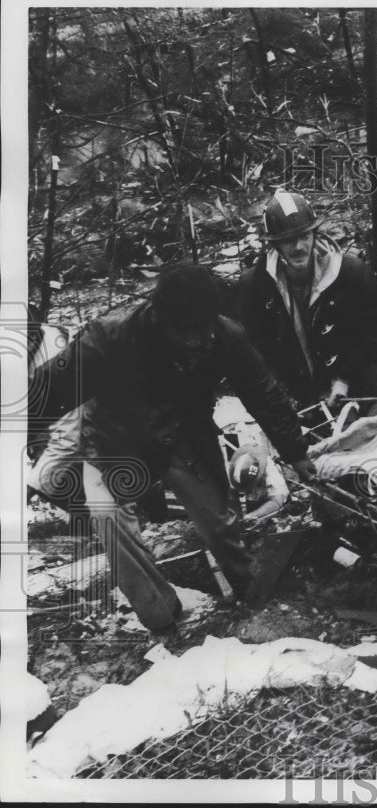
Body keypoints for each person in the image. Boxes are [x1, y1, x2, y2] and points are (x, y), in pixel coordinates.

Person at [28, 263, 316, 634]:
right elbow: (47, 389)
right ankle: (163, 618)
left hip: (185, 437)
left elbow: (263, 393)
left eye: (203, 329)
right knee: (107, 517)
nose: (196, 340)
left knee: (218, 521)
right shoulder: (110, 336)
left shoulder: (227, 336)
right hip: (116, 440)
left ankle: (249, 589)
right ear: (160, 315)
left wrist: (297, 452)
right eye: (184, 331)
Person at [238, 190, 377, 414]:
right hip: (299, 399)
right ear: (275, 244)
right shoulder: (255, 285)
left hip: (358, 386)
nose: (298, 246)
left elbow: (372, 333)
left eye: (304, 236)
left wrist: (344, 379)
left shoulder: (350, 273)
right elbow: (258, 351)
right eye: (289, 239)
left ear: (314, 234)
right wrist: (284, 396)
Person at [227, 443, 289, 522]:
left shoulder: (270, 470)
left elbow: (277, 501)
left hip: (267, 502)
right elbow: (230, 498)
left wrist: (250, 516)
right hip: (248, 504)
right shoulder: (233, 470)